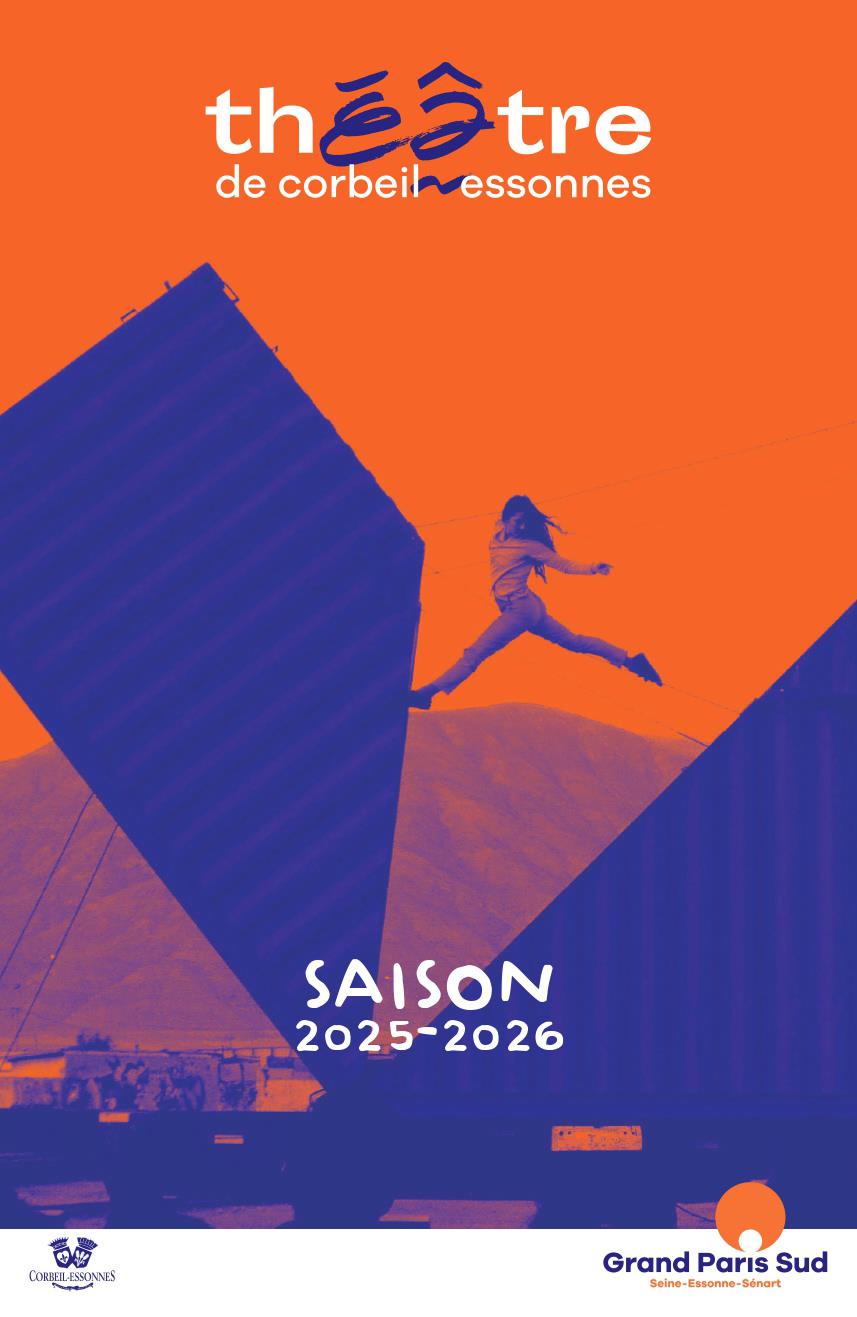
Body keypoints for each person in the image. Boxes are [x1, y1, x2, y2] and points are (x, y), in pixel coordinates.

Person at [409, 494, 661, 709]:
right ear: (505, 519)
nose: (521, 527)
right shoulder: (497, 531)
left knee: (475, 653)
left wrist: (593, 568)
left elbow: (563, 564)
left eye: (524, 523)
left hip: (520, 609)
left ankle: (426, 694)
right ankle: (631, 661)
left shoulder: (529, 546)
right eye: (517, 521)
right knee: (574, 641)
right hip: (530, 606)